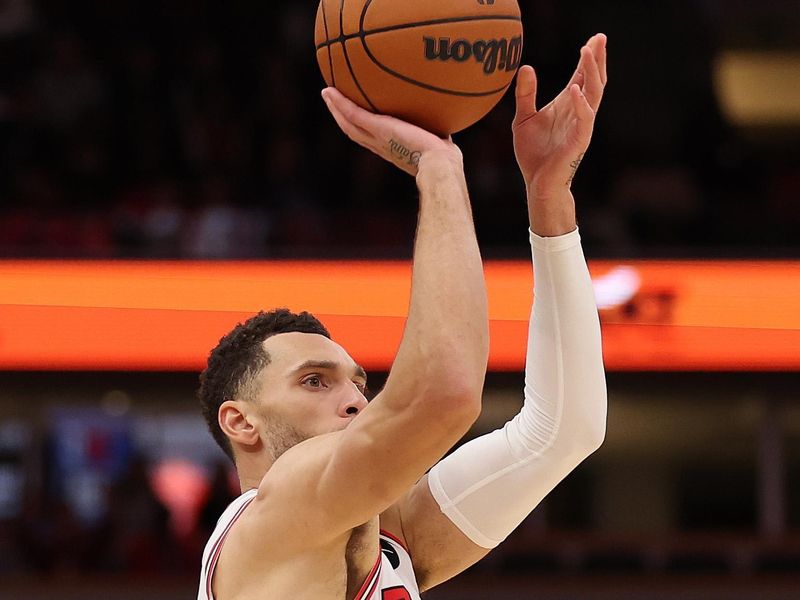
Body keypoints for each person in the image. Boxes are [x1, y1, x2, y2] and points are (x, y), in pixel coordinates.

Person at [197, 33, 608, 600]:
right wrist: (439, 168)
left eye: (359, 384)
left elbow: (565, 431)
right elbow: (444, 395)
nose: (354, 399)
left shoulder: (393, 538)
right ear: (242, 422)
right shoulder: (270, 520)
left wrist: (548, 198)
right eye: (313, 381)